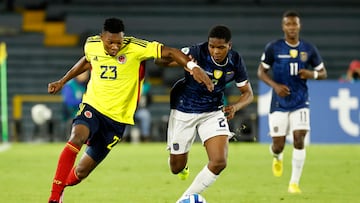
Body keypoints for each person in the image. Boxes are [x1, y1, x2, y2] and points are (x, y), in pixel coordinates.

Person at [47, 17, 214, 203]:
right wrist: (62, 81)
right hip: (93, 107)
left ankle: (61, 188)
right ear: (102, 37)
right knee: (76, 137)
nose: (115, 47)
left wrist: (193, 67)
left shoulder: (136, 48)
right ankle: (54, 197)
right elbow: (88, 61)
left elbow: (172, 52)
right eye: (110, 42)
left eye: (118, 42)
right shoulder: (91, 44)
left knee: (81, 171)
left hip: (117, 120)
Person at [155, 25, 254, 202]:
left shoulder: (235, 60)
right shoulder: (196, 52)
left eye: (221, 47)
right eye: (212, 46)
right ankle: (183, 165)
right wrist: (187, 63)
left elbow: (248, 93)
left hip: (213, 111)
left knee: (219, 161)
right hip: (184, 110)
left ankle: (184, 199)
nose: (215, 51)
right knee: (176, 167)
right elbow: (160, 61)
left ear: (229, 46)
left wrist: (235, 107)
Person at [257, 10, 327, 194]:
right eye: (288, 24)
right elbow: (261, 72)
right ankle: (277, 156)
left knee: (299, 139)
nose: (291, 27)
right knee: (278, 144)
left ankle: (294, 183)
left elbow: (323, 73)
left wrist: (312, 74)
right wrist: (275, 86)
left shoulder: (309, 49)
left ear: (299, 26)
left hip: (300, 100)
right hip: (279, 102)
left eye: (294, 24)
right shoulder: (273, 48)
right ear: (283, 26)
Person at [61, 70, 89, 136]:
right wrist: (83, 101)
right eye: (83, 73)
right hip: (72, 113)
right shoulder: (70, 85)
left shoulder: (85, 85)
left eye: (87, 74)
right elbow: (69, 102)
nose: (86, 75)